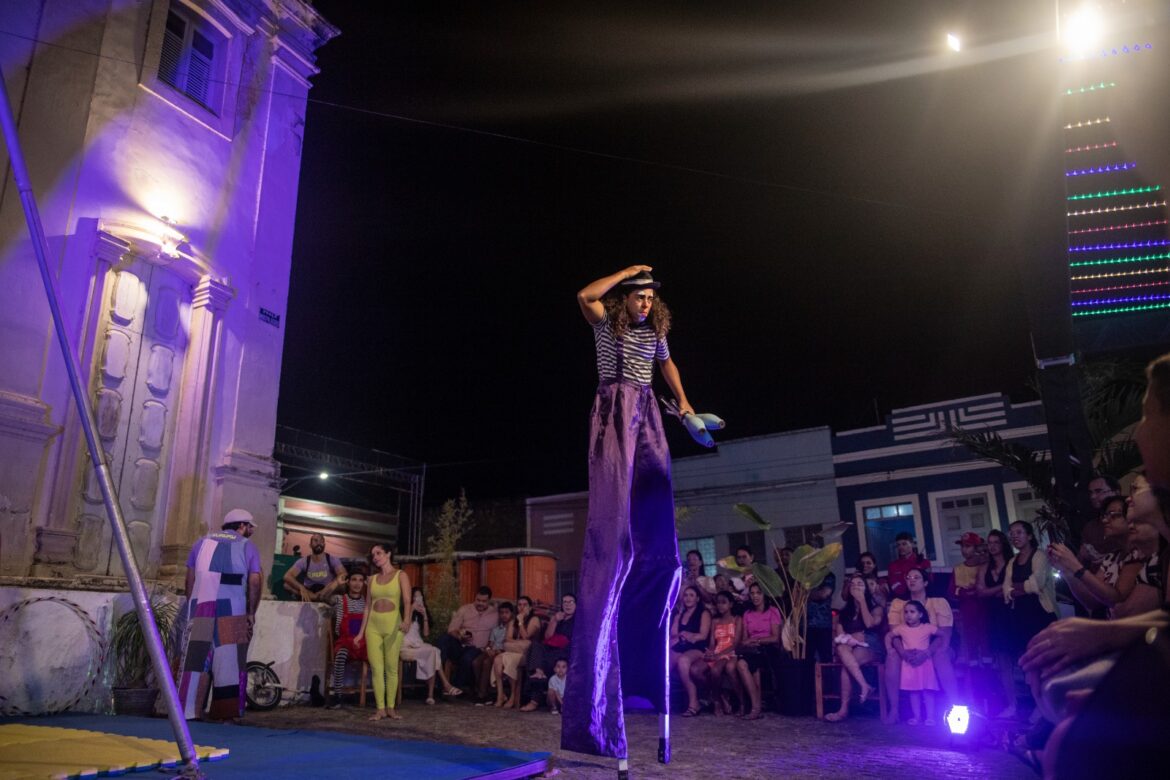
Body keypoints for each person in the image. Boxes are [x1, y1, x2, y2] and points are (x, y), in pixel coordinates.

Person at [563, 266, 696, 761]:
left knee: (653, 486)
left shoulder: (655, 332)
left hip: (648, 411)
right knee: (616, 497)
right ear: (626, 298)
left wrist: (684, 403)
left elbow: (668, 364)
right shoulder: (606, 324)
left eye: (649, 298)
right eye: (638, 297)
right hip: (614, 405)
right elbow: (584, 294)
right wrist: (626, 272)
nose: (645, 304)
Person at [177, 508, 262, 722]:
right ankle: (225, 714)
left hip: (201, 607)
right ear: (241, 526)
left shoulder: (200, 543)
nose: (251, 531)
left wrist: (192, 605)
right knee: (230, 662)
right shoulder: (247, 546)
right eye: (250, 526)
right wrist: (251, 612)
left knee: (196, 659)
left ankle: (189, 711)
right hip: (233, 608)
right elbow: (255, 581)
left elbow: (189, 578)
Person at [884, 568, 956, 722]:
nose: (912, 580)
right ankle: (894, 709)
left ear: (925, 582)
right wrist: (903, 652)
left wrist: (927, 652)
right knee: (892, 657)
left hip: (935, 646)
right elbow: (894, 634)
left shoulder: (938, 602)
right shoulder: (898, 604)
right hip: (907, 648)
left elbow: (944, 634)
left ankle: (955, 706)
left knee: (941, 655)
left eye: (916, 577)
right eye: (909, 577)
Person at [1048, 497, 1140, 618]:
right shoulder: (1112, 557)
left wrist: (1074, 564)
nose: (1105, 520)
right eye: (1105, 515)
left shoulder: (1139, 554)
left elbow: (1116, 598)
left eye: (1113, 515)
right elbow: (1092, 601)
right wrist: (1066, 571)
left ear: (1131, 518)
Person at [355, 542, 411, 722]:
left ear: (388, 554)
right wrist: (360, 633)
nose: (375, 557)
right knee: (376, 669)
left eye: (378, 553)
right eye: (373, 555)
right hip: (373, 627)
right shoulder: (371, 579)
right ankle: (380, 709)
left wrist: (407, 620)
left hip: (393, 625)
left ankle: (391, 708)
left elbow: (407, 601)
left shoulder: (401, 575)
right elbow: (367, 607)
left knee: (391, 668)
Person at [824, 573, 884, 723]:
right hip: (850, 646)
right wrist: (852, 637)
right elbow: (840, 636)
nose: (856, 587)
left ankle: (843, 710)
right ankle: (864, 685)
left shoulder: (876, 608)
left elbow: (870, 624)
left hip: (871, 646)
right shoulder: (845, 612)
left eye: (860, 584)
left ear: (866, 589)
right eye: (853, 584)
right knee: (843, 651)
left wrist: (862, 601)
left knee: (848, 664)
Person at [1003, 521, 1057, 663]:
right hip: (1020, 615)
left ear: (1029, 536)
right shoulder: (1012, 561)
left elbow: (1036, 584)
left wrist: (1017, 587)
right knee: (1027, 657)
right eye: (1012, 534)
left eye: (1019, 532)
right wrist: (1022, 588)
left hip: (1040, 612)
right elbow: (1006, 589)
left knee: (1045, 656)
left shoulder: (1040, 556)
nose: (1014, 536)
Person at [976, 529, 1017, 718]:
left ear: (1003, 544)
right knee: (1002, 661)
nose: (992, 546)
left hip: (1013, 613)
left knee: (1022, 658)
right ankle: (1011, 704)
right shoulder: (985, 567)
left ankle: (1037, 704)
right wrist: (1001, 588)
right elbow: (981, 592)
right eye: (989, 542)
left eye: (996, 542)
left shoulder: (1012, 563)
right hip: (993, 615)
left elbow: (1013, 587)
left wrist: (998, 590)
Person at [400, 586, 462, 704]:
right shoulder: (403, 611)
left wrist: (425, 616)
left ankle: (433, 693)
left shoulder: (420, 614)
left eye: (419, 596)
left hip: (418, 644)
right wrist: (411, 609)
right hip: (405, 644)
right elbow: (404, 630)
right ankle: (443, 687)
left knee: (434, 652)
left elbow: (426, 634)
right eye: (415, 596)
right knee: (434, 652)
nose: (417, 599)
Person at [521, 593, 577, 711]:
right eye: (565, 602)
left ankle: (534, 701)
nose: (567, 605)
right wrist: (554, 621)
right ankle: (539, 671)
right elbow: (547, 636)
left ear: (576, 604)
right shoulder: (558, 618)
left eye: (571, 602)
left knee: (545, 660)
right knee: (535, 645)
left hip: (566, 650)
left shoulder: (578, 620)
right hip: (551, 646)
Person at [437, 586, 498, 691]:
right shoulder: (464, 609)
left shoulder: (495, 614)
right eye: (478, 600)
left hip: (479, 649)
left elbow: (500, 631)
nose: (480, 603)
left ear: (489, 601)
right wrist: (460, 636)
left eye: (484, 601)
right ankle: (439, 681)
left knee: (467, 658)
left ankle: (456, 688)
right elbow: (451, 630)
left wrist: (491, 647)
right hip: (461, 645)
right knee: (444, 639)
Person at [735, 582, 781, 720]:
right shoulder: (747, 614)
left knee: (753, 665)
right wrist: (750, 642)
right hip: (752, 649)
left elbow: (775, 637)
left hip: (768, 648)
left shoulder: (773, 611)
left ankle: (755, 708)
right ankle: (756, 706)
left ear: (764, 594)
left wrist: (758, 640)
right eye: (752, 593)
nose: (755, 596)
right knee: (742, 664)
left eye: (758, 593)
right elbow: (744, 639)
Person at [890, 601, 939, 727]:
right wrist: (890, 650)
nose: (908, 615)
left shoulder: (927, 627)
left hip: (925, 663)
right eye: (906, 612)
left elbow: (941, 635)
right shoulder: (901, 628)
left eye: (912, 612)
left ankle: (930, 717)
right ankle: (916, 717)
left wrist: (929, 651)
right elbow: (889, 636)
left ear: (920, 614)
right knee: (914, 691)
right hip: (910, 663)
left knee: (928, 690)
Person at [327, 564, 369, 708]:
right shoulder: (340, 599)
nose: (357, 583)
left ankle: (382, 698)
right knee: (340, 655)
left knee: (379, 657)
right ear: (348, 582)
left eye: (360, 580)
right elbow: (323, 598)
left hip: (363, 643)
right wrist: (336, 585)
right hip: (345, 642)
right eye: (354, 580)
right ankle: (337, 696)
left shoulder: (367, 602)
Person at [491, 595, 541, 708]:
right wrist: (519, 643)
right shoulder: (513, 621)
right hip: (515, 651)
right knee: (497, 659)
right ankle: (500, 695)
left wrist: (521, 621)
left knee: (510, 659)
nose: (522, 607)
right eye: (519, 605)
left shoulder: (534, 620)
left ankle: (513, 696)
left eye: (525, 605)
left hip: (529, 655)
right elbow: (507, 640)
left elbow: (526, 636)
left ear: (530, 607)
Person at [671, 585, 711, 717]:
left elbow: (703, 635)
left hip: (697, 647)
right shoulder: (680, 614)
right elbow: (673, 635)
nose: (688, 598)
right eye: (686, 595)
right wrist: (680, 632)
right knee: (664, 661)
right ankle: (663, 700)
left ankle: (694, 703)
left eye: (691, 595)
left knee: (683, 661)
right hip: (681, 645)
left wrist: (688, 635)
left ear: (697, 598)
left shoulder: (703, 613)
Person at [949, 532, 988, 666]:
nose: (964, 550)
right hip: (967, 609)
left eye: (968, 546)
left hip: (984, 607)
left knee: (986, 638)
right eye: (962, 546)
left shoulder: (985, 566)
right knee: (970, 639)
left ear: (976, 548)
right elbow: (951, 591)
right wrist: (964, 592)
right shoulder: (958, 569)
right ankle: (974, 668)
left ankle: (989, 667)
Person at [704, 591, 743, 716]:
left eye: (723, 602)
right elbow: (712, 642)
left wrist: (718, 655)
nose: (720, 605)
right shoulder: (715, 621)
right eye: (718, 603)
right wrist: (710, 652)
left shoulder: (737, 619)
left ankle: (739, 702)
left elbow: (735, 643)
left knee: (717, 670)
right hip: (717, 651)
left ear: (731, 604)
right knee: (697, 670)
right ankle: (720, 697)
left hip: (731, 652)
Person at [283, 533, 347, 603]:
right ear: (310, 545)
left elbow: (344, 574)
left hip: (327, 591)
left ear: (324, 545)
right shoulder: (304, 561)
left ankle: (317, 598)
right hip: (310, 591)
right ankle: (316, 597)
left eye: (321, 541)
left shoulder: (332, 559)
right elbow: (287, 576)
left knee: (342, 585)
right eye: (315, 540)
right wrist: (301, 587)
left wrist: (330, 587)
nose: (319, 543)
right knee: (286, 585)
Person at [886, 532, 931, 601]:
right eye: (898, 545)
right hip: (901, 599)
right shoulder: (892, 566)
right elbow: (894, 586)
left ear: (912, 544)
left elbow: (928, 582)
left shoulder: (924, 562)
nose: (901, 547)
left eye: (904, 544)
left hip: (921, 598)